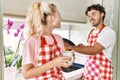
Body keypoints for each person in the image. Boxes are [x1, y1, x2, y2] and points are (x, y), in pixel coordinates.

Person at [22, 2, 71, 80]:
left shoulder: (58, 39)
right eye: (59, 15)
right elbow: (26, 74)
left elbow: (58, 64)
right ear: (50, 18)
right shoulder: (32, 41)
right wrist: (53, 63)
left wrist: (66, 62)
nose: (61, 18)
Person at [65, 4, 116, 80]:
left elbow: (93, 50)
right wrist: (83, 47)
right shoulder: (92, 32)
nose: (90, 18)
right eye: (89, 16)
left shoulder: (108, 32)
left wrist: (70, 47)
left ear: (102, 14)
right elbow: (91, 50)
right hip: (89, 73)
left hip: (101, 75)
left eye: (94, 14)